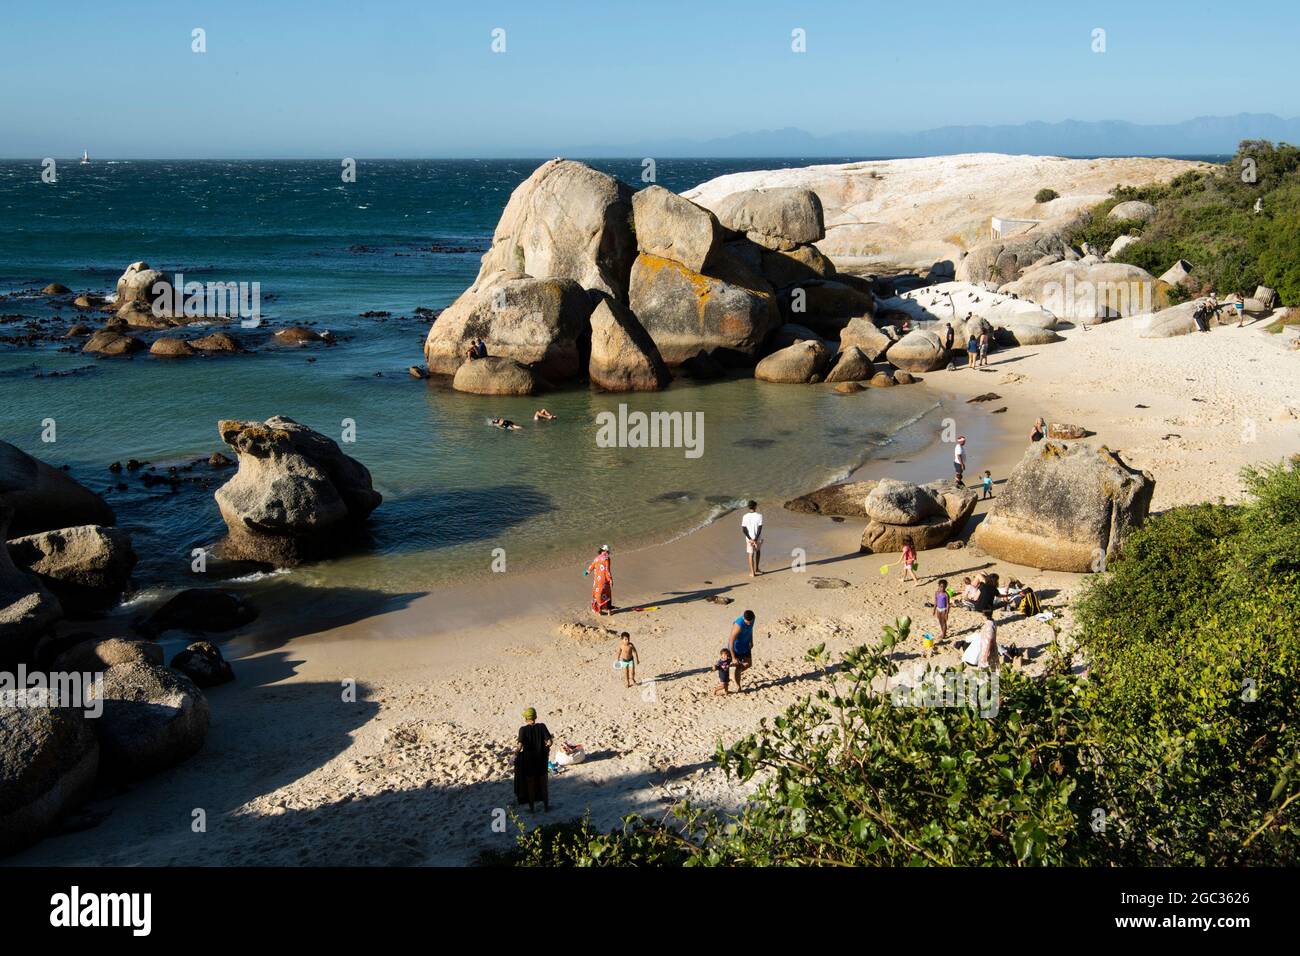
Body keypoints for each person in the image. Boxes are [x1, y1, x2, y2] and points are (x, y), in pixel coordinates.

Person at [514, 707, 554, 812]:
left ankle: (532, 808)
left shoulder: (523, 730)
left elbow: (520, 746)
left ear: (526, 718)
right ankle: (546, 807)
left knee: (530, 785)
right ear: (535, 717)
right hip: (541, 760)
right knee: (543, 784)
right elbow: (549, 742)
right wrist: (546, 749)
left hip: (529, 761)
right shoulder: (542, 726)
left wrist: (515, 755)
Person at [729, 610, 756, 692]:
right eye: (747, 622)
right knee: (738, 666)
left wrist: (751, 641)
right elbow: (731, 641)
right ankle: (738, 686)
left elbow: (751, 629)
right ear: (744, 618)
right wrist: (733, 657)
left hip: (746, 645)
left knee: (748, 664)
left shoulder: (753, 618)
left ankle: (734, 674)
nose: (748, 623)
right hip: (737, 647)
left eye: (750, 622)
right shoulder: (738, 625)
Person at [584, 545, 613, 616]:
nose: (608, 553)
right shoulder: (607, 558)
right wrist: (610, 579)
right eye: (608, 551)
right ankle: (609, 612)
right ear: (606, 551)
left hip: (597, 580)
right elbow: (607, 570)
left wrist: (587, 572)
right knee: (607, 594)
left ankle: (599, 611)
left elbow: (592, 566)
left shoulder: (596, 558)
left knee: (598, 595)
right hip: (604, 580)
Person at [741, 500, 764, 577]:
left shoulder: (745, 516)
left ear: (748, 507)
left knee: (751, 554)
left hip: (749, 539)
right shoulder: (759, 516)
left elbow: (744, 529)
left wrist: (750, 539)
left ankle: (752, 572)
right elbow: (760, 529)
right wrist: (755, 539)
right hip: (758, 538)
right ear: (755, 506)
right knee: (758, 551)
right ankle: (757, 568)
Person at [933, 578, 950, 643]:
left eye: (944, 587)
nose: (942, 588)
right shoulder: (936, 593)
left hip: (944, 610)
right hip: (938, 609)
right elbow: (936, 602)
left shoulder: (946, 594)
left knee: (944, 622)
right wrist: (934, 610)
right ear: (939, 586)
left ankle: (943, 634)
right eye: (941, 586)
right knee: (940, 621)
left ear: (946, 587)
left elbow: (948, 604)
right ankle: (943, 631)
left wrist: (947, 613)